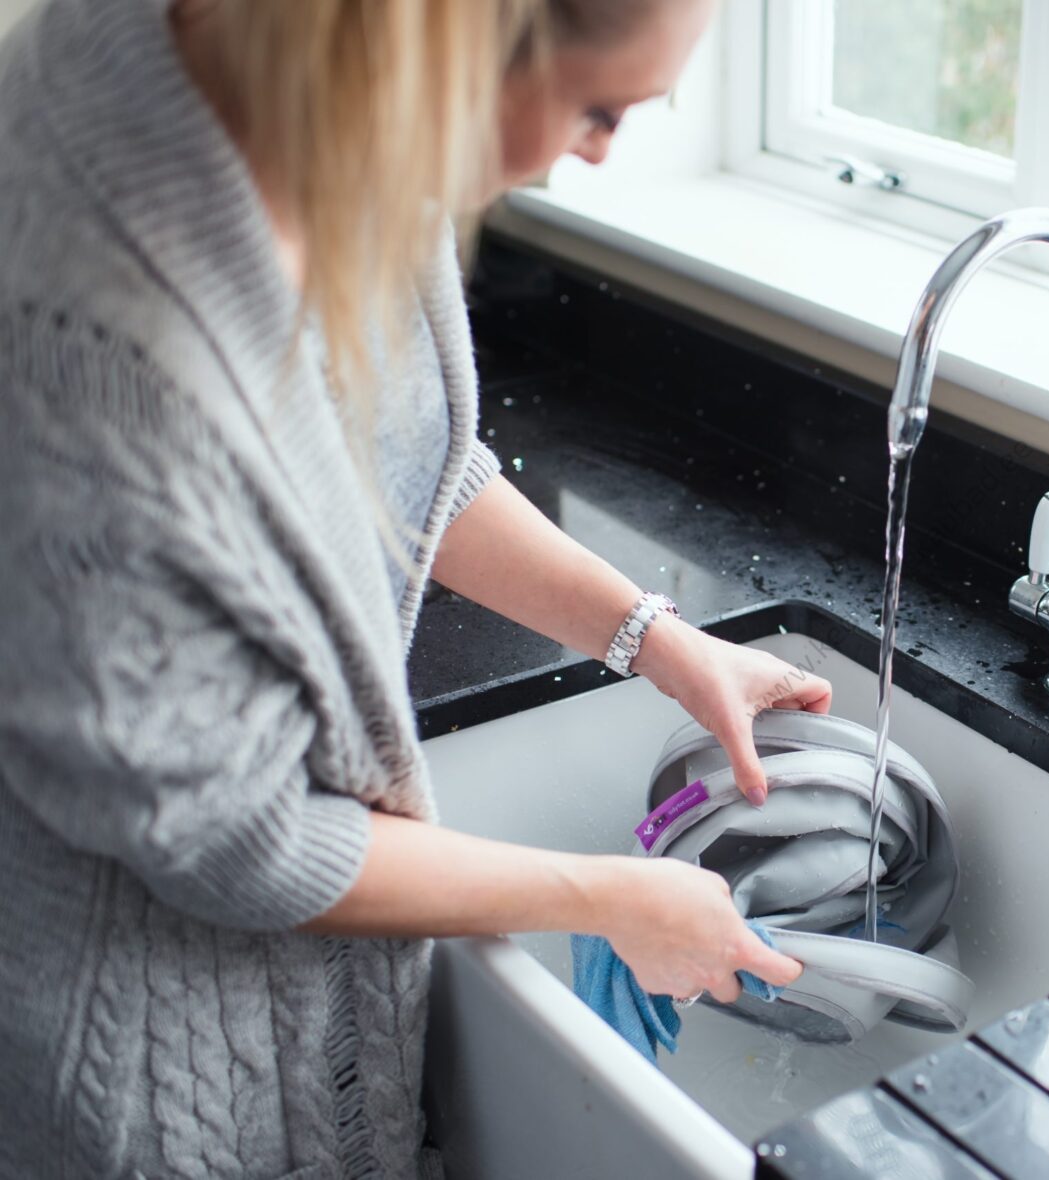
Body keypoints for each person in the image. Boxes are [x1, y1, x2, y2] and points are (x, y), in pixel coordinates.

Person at [0, 0, 828, 1174]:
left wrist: (658, 640)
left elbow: (393, 458)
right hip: (154, 1080)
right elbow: (244, 840)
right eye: (600, 109)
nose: (601, 152)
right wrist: (606, 897)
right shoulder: (102, 348)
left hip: (306, 1026)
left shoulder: (317, 94)